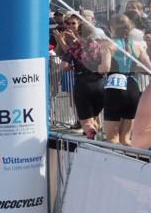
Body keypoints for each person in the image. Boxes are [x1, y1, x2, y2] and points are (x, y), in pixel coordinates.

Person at [53, 14, 109, 140]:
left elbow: (64, 66)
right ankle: (96, 136)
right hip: (100, 82)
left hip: (82, 82)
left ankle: (90, 135)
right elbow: (107, 65)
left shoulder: (74, 47)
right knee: (94, 116)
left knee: (86, 121)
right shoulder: (100, 46)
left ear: (79, 33)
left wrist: (71, 68)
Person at [103, 14, 151, 146]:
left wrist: (99, 67)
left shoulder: (109, 45)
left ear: (112, 27)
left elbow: (105, 67)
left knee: (112, 137)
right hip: (132, 87)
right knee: (126, 139)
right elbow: (149, 67)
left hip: (115, 87)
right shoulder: (137, 45)